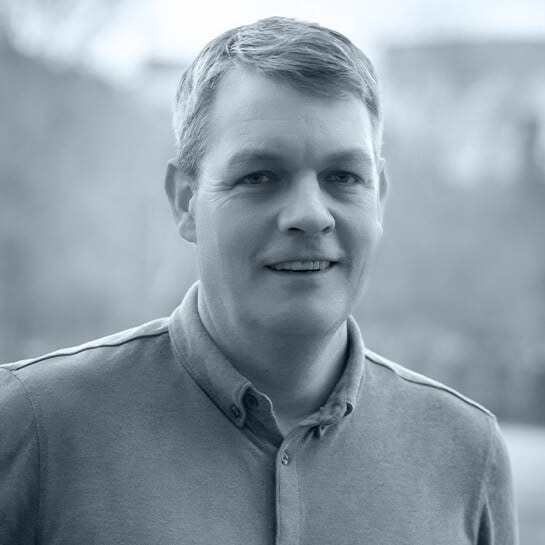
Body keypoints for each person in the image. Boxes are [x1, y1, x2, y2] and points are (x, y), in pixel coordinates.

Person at [0, 16, 518, 545]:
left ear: (379, 198)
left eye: (343, 177)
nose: (311, 215)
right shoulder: (34, 426)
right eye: (259, 177)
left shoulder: (465, 453)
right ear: (185, 201)